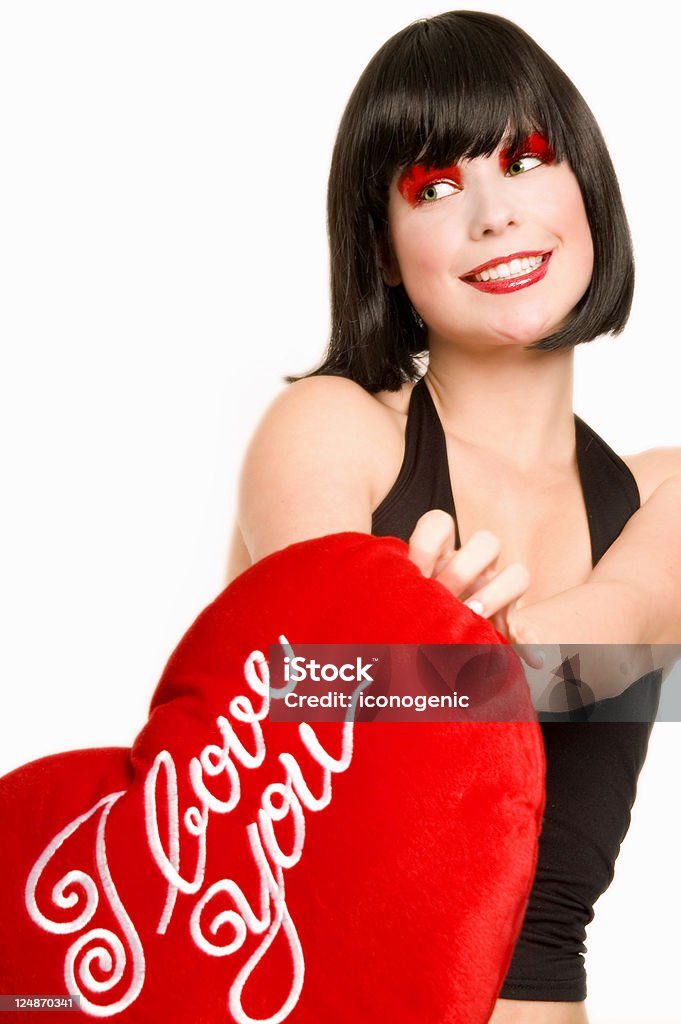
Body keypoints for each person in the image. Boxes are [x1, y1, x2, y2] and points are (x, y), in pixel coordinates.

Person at [227, 11, 681, 1023]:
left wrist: (423, 669)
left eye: (526, 161)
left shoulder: (661, 496)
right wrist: (415, 676)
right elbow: (315, 694)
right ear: (383, 253)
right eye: (434, 188)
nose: (494, 215)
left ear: (588, 193)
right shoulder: (331, 430)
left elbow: (584, 658)